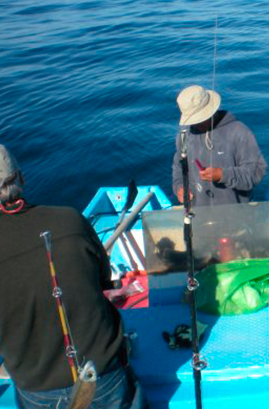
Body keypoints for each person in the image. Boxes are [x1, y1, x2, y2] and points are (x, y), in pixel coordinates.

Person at [0, 144, 147, 409]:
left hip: (37, 387)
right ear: (21, 178)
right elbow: (103, 282)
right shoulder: (69, 219)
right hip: (103, 371)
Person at [172, 84, 267, 206]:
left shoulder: (239, 132)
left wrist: (223, 175)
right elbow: (179, 166)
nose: (197, 124)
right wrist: (180, 187)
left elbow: (257, 172)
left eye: (200, 119)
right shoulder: (184, 135)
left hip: (236, 212)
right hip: (198, 213)